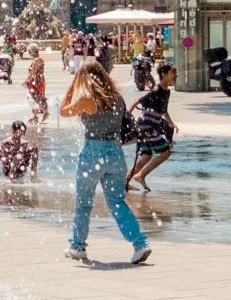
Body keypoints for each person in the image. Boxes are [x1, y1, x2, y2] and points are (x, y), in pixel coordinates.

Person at [60, 60, 151, 264]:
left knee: (84, 203)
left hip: (93, 152)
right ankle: (140, 243)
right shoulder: (116, 98)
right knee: (117, 201)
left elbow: (63, 110)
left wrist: (74, 83)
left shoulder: (87, 98)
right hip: (115, 153)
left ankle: (77, 246)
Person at [127, 62, 178, 192]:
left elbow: (164, 110)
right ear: (163, 74)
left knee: (147, 156)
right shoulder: (157, 90)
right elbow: (137, 101)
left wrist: (171, 122)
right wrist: (126, 119)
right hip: (146, 125)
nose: (175, 75)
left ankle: (124, 181)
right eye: (172, 73)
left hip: (150, 124)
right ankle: (140, 176)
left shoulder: (166, 91)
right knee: (165, 152)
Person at [24, 46, 48, 124]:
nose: (29, 53)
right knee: (36, 97)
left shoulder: (36, 60)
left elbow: (33, 72)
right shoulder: (39, 59)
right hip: (39, 80)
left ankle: (45, 112)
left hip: (36, 80)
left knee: (35, 98)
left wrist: (27, 81)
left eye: (29, 51)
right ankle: (35, 116)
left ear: (33, 51)